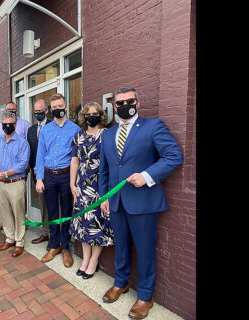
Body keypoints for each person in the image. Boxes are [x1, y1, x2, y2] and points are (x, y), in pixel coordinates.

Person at [99, 87, 183, 319]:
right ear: (114, 107)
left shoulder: (153, 126)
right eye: (120, 102)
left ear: (138, 102)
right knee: (121, 247)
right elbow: (104, 170)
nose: (125, 105)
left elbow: (174, 155)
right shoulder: (107, 134)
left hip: (144, 202)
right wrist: (105, 197)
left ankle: (146, 296)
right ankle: (120, 283)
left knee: (145, 251)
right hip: (116, 203)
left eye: (130, 100)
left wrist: (146, 176)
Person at [68, 102, 115, 280]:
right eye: (88, 114)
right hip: (81, 187)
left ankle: (94, 261)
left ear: (101, 116)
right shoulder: (78, 135)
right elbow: (74, 161)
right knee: (83, 225)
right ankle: (85, 259)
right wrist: (72, 184)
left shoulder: (106, 135)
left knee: (96, 225)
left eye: (95, 113)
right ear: (83, 117)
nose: (91, 116)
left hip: (99, 186)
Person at [35, 93, 81, 268]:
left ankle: (65, 247)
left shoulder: (75, 129)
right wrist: (39, 178)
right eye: (54, 108)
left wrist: (74, 181)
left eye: (60, 106)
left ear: (66, 107)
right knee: (53, 212)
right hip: (49, 176)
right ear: (50, 110)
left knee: (67, 212)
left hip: (66, 176)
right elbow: (40, 155)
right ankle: (54, 246)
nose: (58, 110)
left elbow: (76, 158)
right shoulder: (46, 129)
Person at [0, 111, 30, 257]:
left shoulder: (23, 143)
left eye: (10, 124)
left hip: (15, 182)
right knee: (5, 212)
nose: (7, 126)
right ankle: (10, 238)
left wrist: (6, 173)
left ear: (15, 125)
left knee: (18, 213)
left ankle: (19, 242)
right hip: (1, 183)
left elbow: (23, 164)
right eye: (4, 124)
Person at [26, 99, 51, 250]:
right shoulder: (31, 130)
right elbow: (31, 152)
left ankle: (56, 235)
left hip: (52, 173)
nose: (38, 114)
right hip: (37, 174)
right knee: (43, 205)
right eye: (36, 111)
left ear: (47, 111)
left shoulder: (53, 126)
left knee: (54, 206)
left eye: (40, 111)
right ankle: (45, 232)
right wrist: (31, 166)